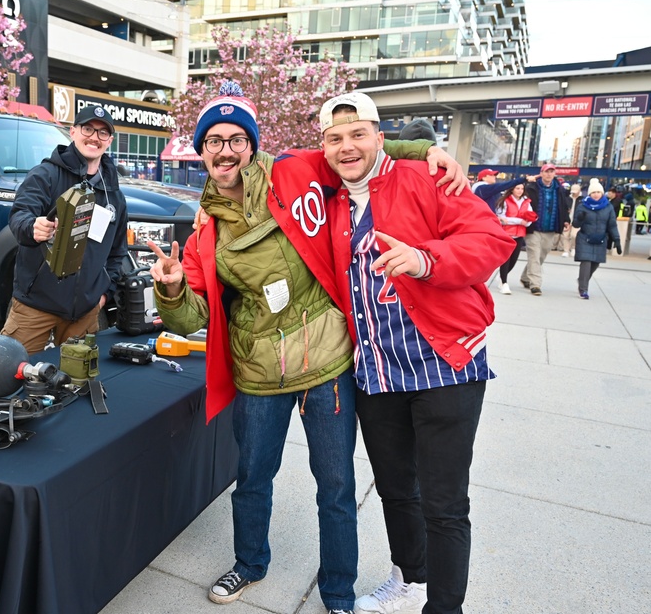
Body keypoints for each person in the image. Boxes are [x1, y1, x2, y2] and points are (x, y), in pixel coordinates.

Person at [148, 81, 468, 614]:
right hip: (257, 372)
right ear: (200, 150)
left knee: (337, 486)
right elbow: (194, 316)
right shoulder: (202, 229)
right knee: (251, 479)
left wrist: (425, 150)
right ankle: (250, 564)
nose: (225, 150)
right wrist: (174, 287)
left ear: (251, 145)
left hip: (325, 361)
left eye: (236, 139)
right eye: (214, 141)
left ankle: (338, 593)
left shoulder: (292, 171)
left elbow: (355, 153)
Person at [311, 92, 513, 614]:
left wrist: (426, 260)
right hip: (378, 373)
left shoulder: (424, 177)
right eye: (335, 137)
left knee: (445, 503)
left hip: (444, 363)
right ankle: (412, 578)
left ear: (381, 137)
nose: (347, 145)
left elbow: (490, 237)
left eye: (359, 133)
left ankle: (444, 608)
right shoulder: (329, 200)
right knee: (397, 490)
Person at [0, 105, 128, 354]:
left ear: (110, 140)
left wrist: (103, 295)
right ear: (73, 132)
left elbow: (117, 251)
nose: (94, 137)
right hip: (34, 307)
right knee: (11, 376)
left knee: (76, 386)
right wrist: (32, 227)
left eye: (103, 133)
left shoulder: (115, 196)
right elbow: (19, 216)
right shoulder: (45, 175)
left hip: (84, 315)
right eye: (88, 128)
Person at [519, 163, 570, 296]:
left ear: (555, 174)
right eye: (546, 171)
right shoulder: (531, 187)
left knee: (541, 255)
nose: (549, 174)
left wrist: (566, 220)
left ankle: (525, 277)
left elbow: (563, 206)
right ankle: (535, 284)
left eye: (552, 171)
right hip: (534, 226)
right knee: (534, 254)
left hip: (551, 227)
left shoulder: (559, 189)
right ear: (541, 173)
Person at [573, 179, 621, 299]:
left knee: (595, 263)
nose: (596, 194)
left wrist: (617, 239)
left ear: (602, 193)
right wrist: (580, 218)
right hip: (585, 237)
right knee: (586, 262)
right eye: (593, 192)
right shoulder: (582, 205)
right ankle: (583, 289)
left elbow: (612, 225)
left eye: (598, 192)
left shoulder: (608, 207)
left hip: (600, 239)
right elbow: (575, 224)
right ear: (589, 194)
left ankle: (581, 280)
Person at [496, 182, 536, 295]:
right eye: (517, 188)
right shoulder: (505, 201)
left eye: (522, 188)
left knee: (513, 260)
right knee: (506, 259)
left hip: (519, 234)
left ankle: (502, 277)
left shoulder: (526, 202)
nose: (520, 191)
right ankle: (504, 283)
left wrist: (528, 222)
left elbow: (530, 216)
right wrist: (519, 221)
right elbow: (503, 218)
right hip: (506, 234)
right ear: (512, 189)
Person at [560, 183, 582, 257]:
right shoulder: (567, 199)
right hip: (567, 219)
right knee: (565, 236)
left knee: (574, 235)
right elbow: (563, 208)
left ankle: (573, 248)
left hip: (577, 220)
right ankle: (566, 250)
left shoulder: (582, 200)